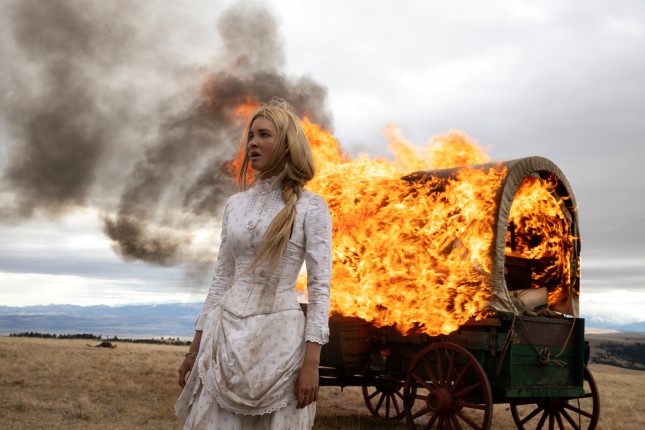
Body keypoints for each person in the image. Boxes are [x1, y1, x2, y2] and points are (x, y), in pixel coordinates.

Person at [175, 98, 332, 429]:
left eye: (264, 135)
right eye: (250, 135)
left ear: (286, 143)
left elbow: (320, 288)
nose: (252, 143)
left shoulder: (311, 207)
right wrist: (194, 350)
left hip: (280, 344)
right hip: (224, 339)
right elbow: (221, 280)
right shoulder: (234, 205)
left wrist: (312, 363)